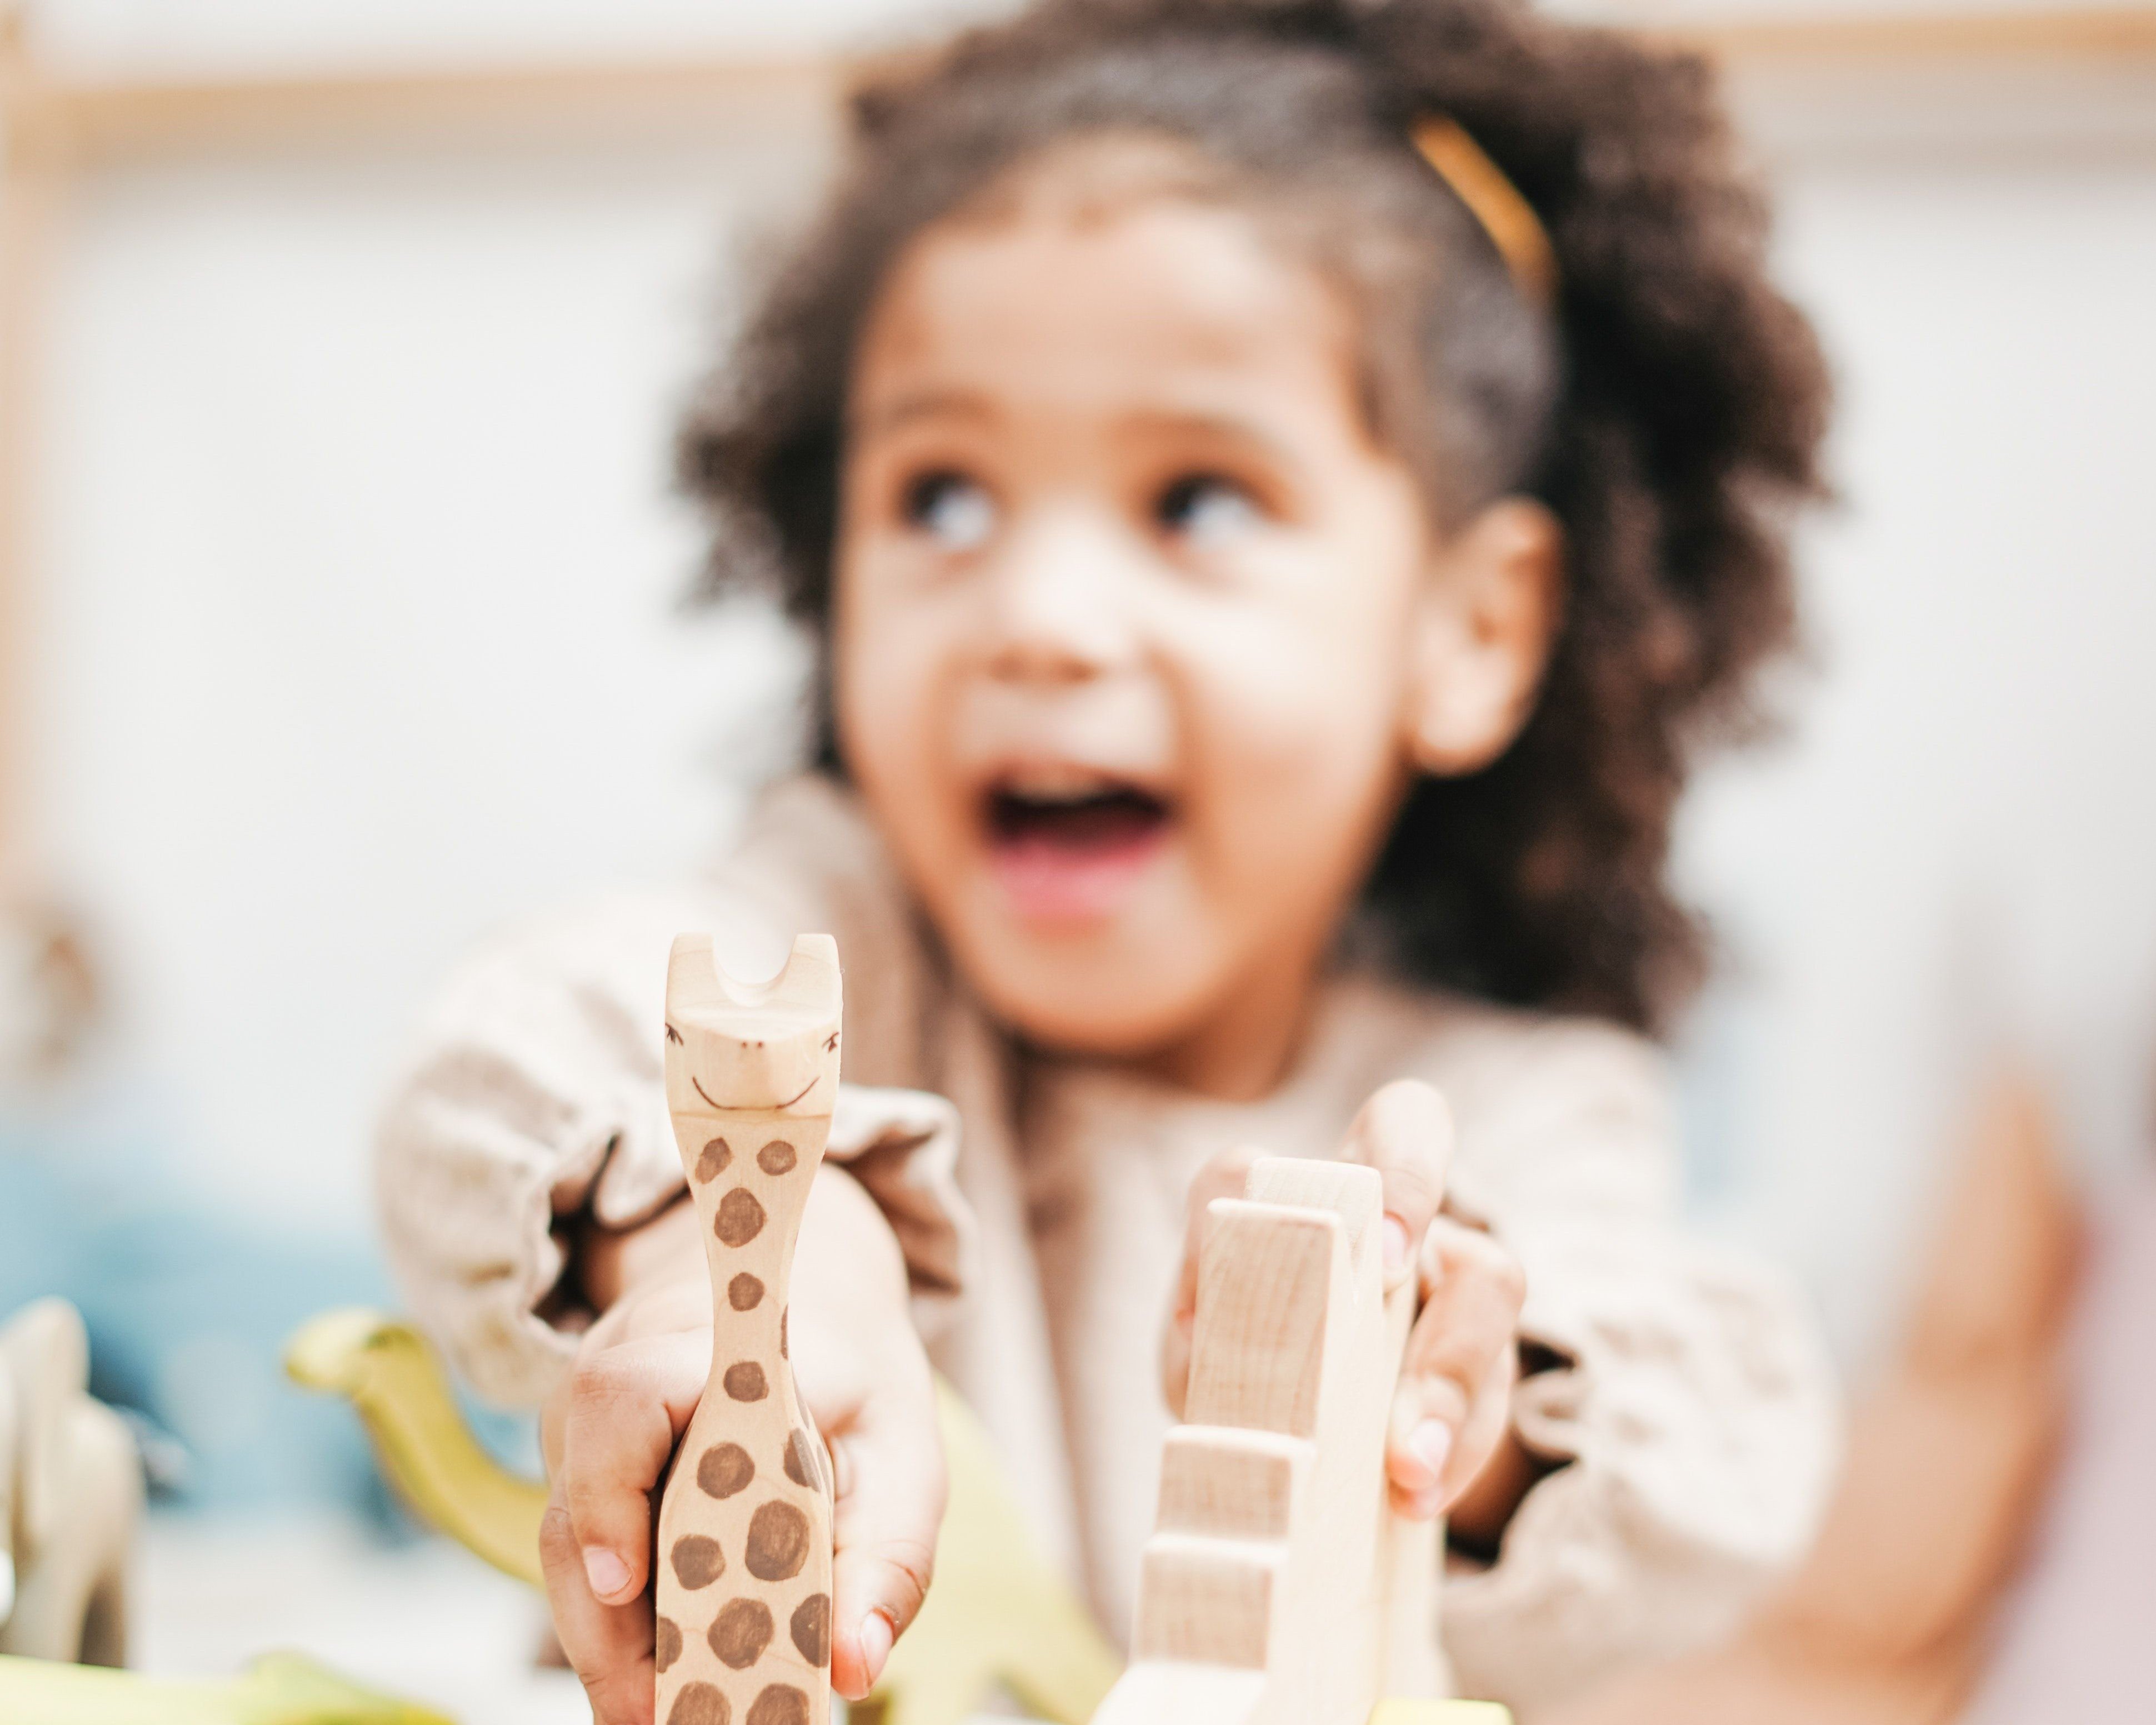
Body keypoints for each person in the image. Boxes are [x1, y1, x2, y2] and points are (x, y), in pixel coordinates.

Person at [376, 1, 1840, 1718]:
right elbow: (512, 1049)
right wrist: (747, 1235)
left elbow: (1711, 1464)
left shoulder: (1517, 1107)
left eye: (1198, 500)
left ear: (1469, 624)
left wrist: (1454, 1391)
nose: (1041, 618)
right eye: (940, 497)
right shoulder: (838, 939)